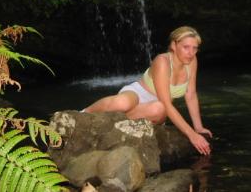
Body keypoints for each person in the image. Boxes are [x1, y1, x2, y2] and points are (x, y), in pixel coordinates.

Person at [83, 26, 212, 155]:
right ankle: (82, 114)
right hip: (137, 94)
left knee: (159, 108)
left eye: (195, 48)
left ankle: (114, 122)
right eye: (186, 47)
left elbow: (190, 95)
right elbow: (168, 104)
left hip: (157, 108)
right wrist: (191, 135)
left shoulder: (192, 61)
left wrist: (198, 128)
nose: (191, 52)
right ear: (174, 45)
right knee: (123, 103)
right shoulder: (162, 61)